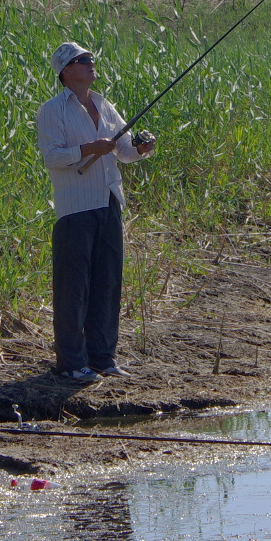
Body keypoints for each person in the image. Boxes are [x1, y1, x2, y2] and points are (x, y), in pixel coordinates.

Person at [36, 42, 156, 382]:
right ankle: (72, 363)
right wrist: (88, 148)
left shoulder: (104, 104)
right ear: (65, 70)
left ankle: (103, 357)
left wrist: (141, 148)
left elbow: (124, 151)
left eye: (91, 59)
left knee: (108, 282)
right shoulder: (53, 110)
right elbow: (52, 157)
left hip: (109, 202)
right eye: (83, 60)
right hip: (75, 209)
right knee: (74, 286)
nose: (91, 64)